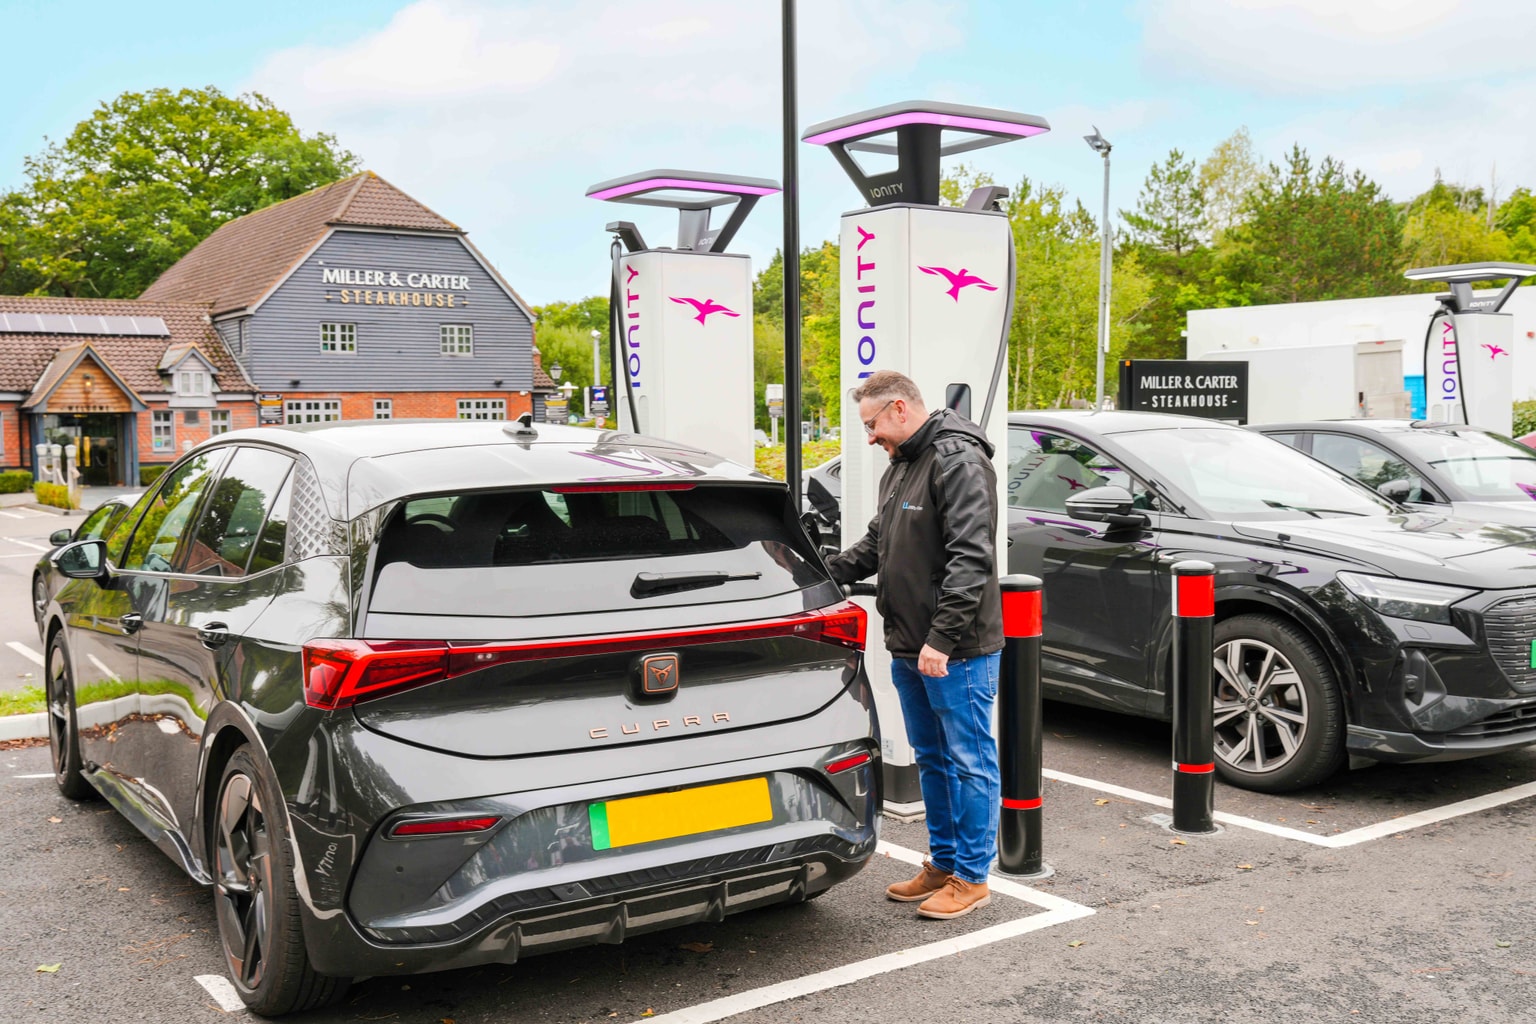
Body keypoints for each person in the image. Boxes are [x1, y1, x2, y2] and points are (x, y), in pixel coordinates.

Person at [827, 370, 1004, 920]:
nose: (870, 436)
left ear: (899, 409)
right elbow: (881, 540)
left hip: (954, 650)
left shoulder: (959, 461)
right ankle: (944, 862)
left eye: (872, 424)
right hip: (910, 644)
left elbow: (971, 558)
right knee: (932, 759)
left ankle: (972, 878)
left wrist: (942, 638)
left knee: (969, 760)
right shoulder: (904, 465)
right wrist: (822, 572)